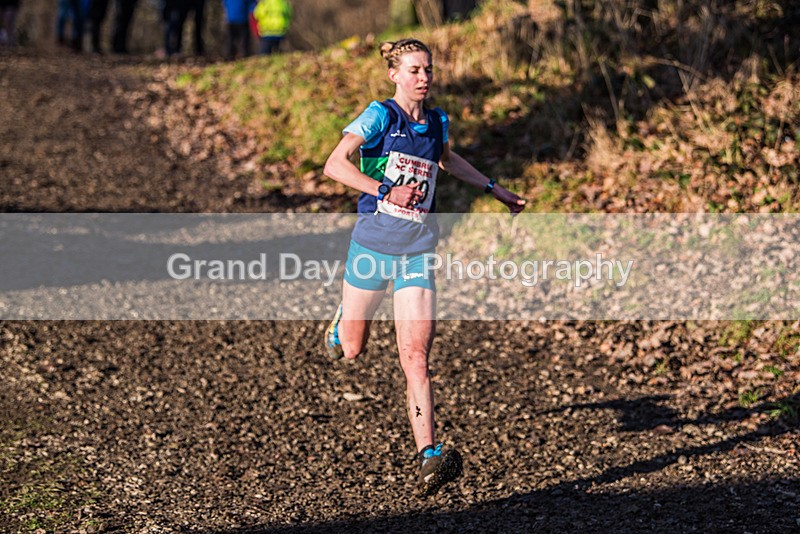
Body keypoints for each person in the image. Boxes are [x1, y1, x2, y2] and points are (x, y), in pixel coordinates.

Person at [323, 38, 525, 497]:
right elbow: (334, 165)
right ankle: (341, 324)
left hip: (417, 250)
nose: (424, 78)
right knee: (352, 350)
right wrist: (384, 190)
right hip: (372, 246)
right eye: (414, 70)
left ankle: (429, 456)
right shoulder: (379, 116)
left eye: (428, 70)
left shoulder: (437, 121)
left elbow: (447, 160)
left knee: (416, 358)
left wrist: (495, 189)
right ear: (395, 74)